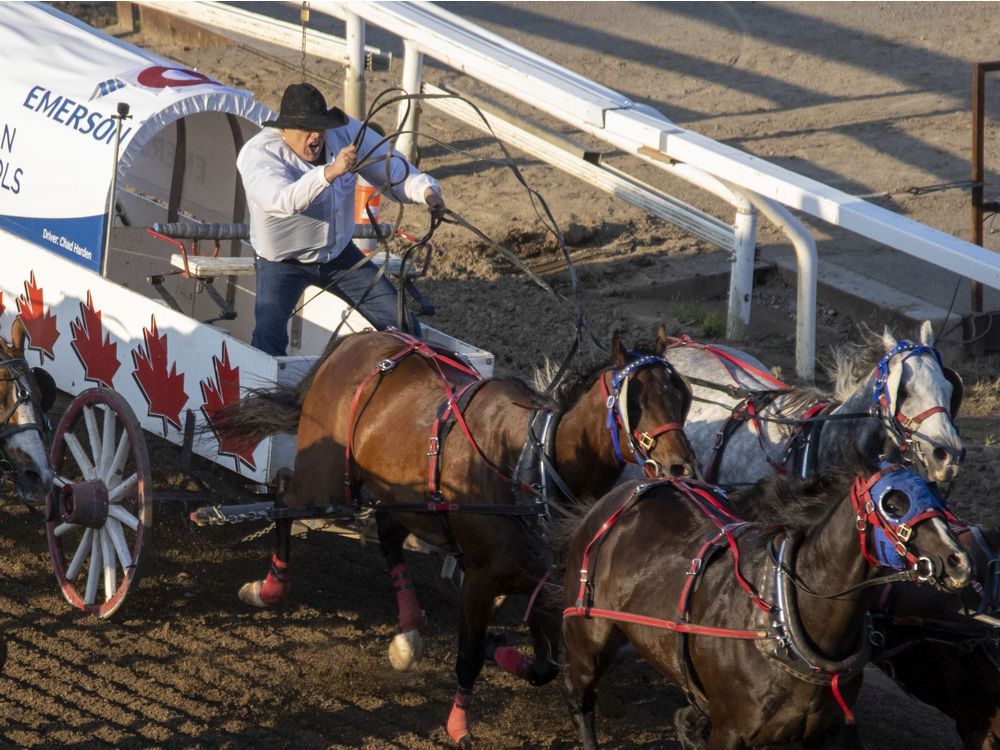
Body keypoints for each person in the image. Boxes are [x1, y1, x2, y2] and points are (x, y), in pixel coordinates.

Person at [236, 82, 446, 356]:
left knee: (402, 324)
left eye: (320, 128)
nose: (315, 137)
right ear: (283, 130)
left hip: (339, 256)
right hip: (282, 262)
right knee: (268, 336)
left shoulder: (346, 133)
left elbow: (391, 167)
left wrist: (426, 190)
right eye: (306, 129)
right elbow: (281, 201)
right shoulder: (259, 154)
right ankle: (266, 395)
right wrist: (329, 172)